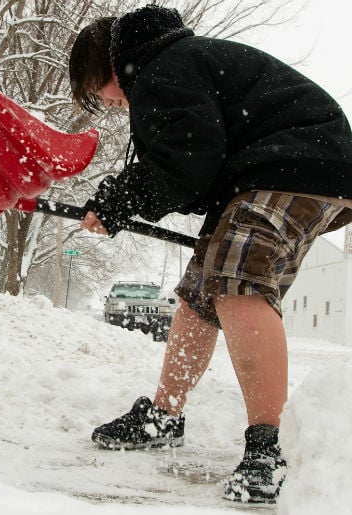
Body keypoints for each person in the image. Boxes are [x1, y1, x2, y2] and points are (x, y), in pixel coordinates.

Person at [69, 3, 352, 504]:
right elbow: (201, 161)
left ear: (108, 67)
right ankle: (165, 415)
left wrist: (116, 201)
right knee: (202, 292)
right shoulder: (176, 63)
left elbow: (188, 159)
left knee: (236, 280)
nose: (109, 103)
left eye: (100, 92)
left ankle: (268, 447)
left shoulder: (162, 69)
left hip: (295, 165)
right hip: (279, 169)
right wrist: (125, 200)